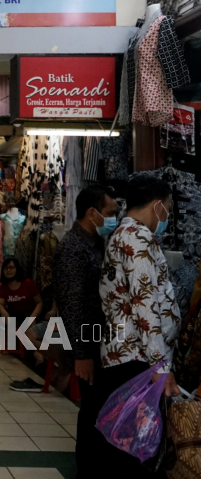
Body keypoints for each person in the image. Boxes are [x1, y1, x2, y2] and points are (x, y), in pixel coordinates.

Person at [96, 177, 180, 477]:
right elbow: (145, 306)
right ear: (157, 205)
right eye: (167, 208)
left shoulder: (124, 234)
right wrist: (161, 366)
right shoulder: (137, 238)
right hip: (136, 361)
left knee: (127, 446)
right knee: (132, 451)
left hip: (130, 355)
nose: (167, 216)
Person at [51, 185, 118, 477]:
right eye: (110, 213)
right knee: (91, 409)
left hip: (98, 338)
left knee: (97, 407)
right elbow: (74, 306)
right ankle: (87, 470)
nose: (114, 219)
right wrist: (82, 354)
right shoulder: (72, 249)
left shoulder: (94, 243)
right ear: (92, 213)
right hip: (86, 341)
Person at [0, 258, 43, 367]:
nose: (8, 270)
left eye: (11, 267)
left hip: (28, 316)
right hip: (14, 316)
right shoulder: (4, 287)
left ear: (17, 269)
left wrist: (32, 318)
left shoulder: (27, 283)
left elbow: (39, 303)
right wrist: (3, 311)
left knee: (32, 332)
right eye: (6, 268)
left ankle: (39, 357)